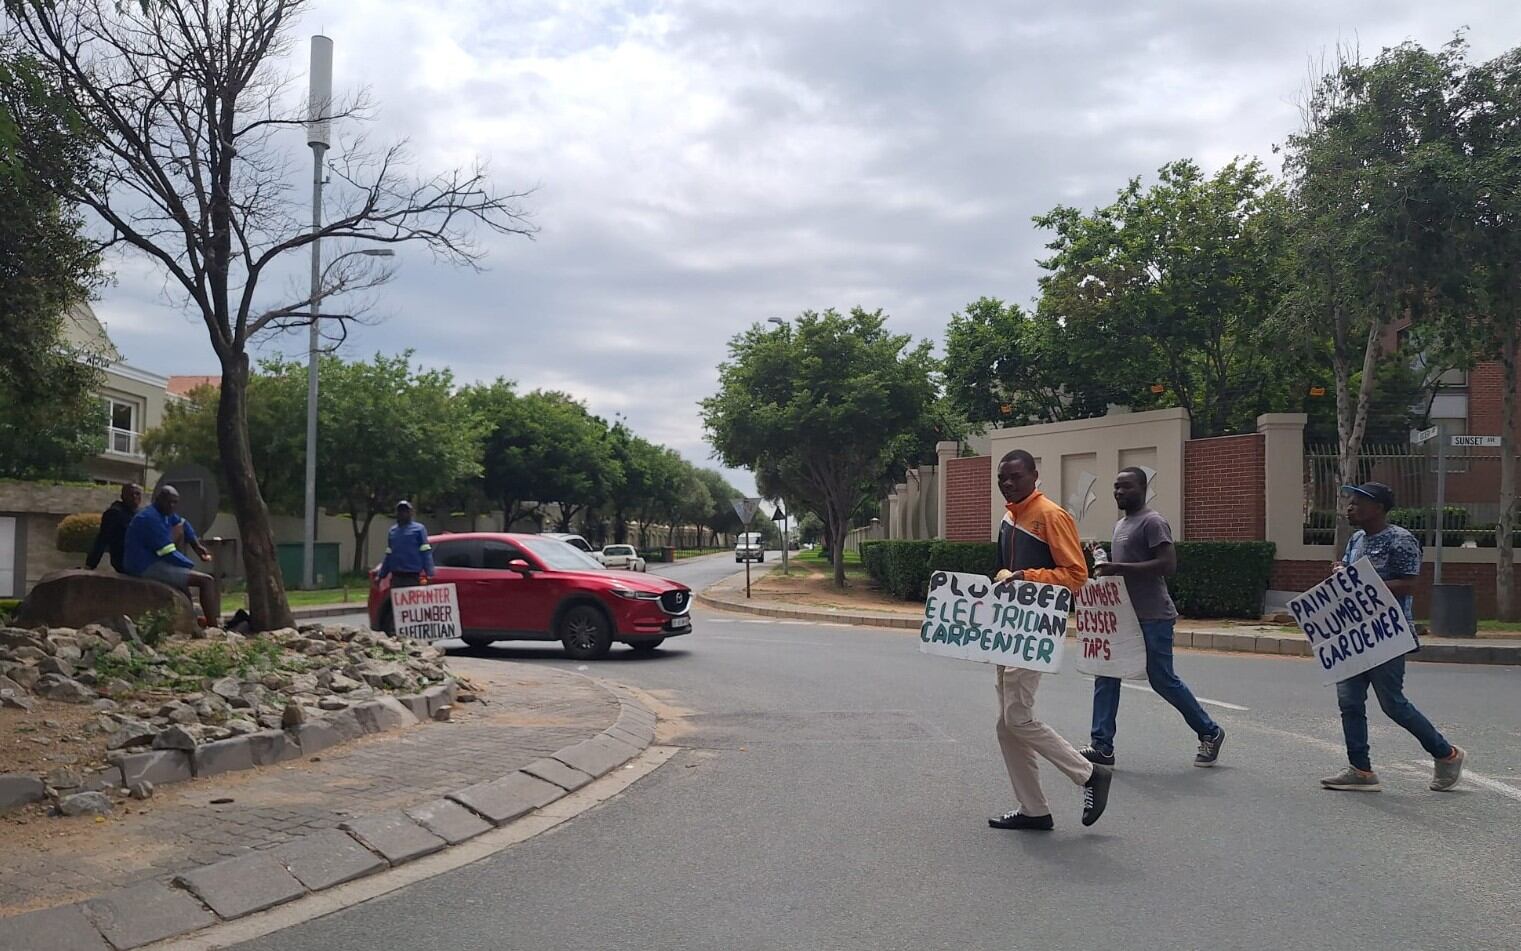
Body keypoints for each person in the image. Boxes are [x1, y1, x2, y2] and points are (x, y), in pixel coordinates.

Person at [988, 449, 1113, 832]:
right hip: (1009, 630)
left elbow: (1076, 575)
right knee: (1006, 725)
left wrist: (1028, 577)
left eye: (1015, 476)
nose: (1008, 483)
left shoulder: (1051, 516)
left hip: (1036, 630)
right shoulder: (1010, 517)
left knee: (1017, 718)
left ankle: (1089, 774)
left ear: (1034, 475)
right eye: (1002, 478)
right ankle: (1034, 810)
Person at [1321, 482, 1465, 792]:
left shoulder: (1401, 540)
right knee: (1349, 701)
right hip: (1354, 632)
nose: (1350, 507)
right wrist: (1341, 570)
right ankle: (1361, 770)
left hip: (1387, 633)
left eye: (1358, 502)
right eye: (1350, 501)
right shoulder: (1356, 539)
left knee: (1393, 704)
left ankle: (1447, 754)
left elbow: (1409, 584)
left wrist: (1362, 583)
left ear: (1379, 508)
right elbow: (1349, 573)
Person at [1083, 467, 1227, 768]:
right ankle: (1102, 746)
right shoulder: (1121, 524)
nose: (1119, 492)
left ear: (1143, 488)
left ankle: (1210, 731)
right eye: (1116, 487)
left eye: (1126, 486)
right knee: (1106, 674)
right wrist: (1105, 562)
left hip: (1153, 616)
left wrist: (1118, 568)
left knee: (1162, 679)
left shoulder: (1153, 521)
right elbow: (1124, 568)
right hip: (1123, 618)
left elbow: (1167, 564)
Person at [123, 485, 220, 626]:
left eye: (175, 502)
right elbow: (167, 551)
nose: (172, 506)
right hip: (144, 565)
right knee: (206, 581)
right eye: (169, 502)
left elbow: (182, 523)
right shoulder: (149, 518)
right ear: (159, 499)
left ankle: (192, 622)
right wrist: (189, 566)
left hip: (155, 560)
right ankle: (213, 626)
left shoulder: (164, 513)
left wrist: (197, 546)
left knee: (185, 585)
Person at [86, 483, 142, 573]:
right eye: (130, 494)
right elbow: (102, 539)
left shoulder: (140, 513)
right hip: (124, 560)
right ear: (122, 497)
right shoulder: (114, 513)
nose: (134, 497)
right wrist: (90, 565)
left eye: (137, 494)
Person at [377, 500, 434, 588]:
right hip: (396, 576)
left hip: (412, 576)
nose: (402, 513)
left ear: (411, 513)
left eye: (405, 511)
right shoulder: (392, 531)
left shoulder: (419, 529)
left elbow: (426, 552)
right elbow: (388, 556)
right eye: (400, 511)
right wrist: (381, 575)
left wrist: (429, 573)